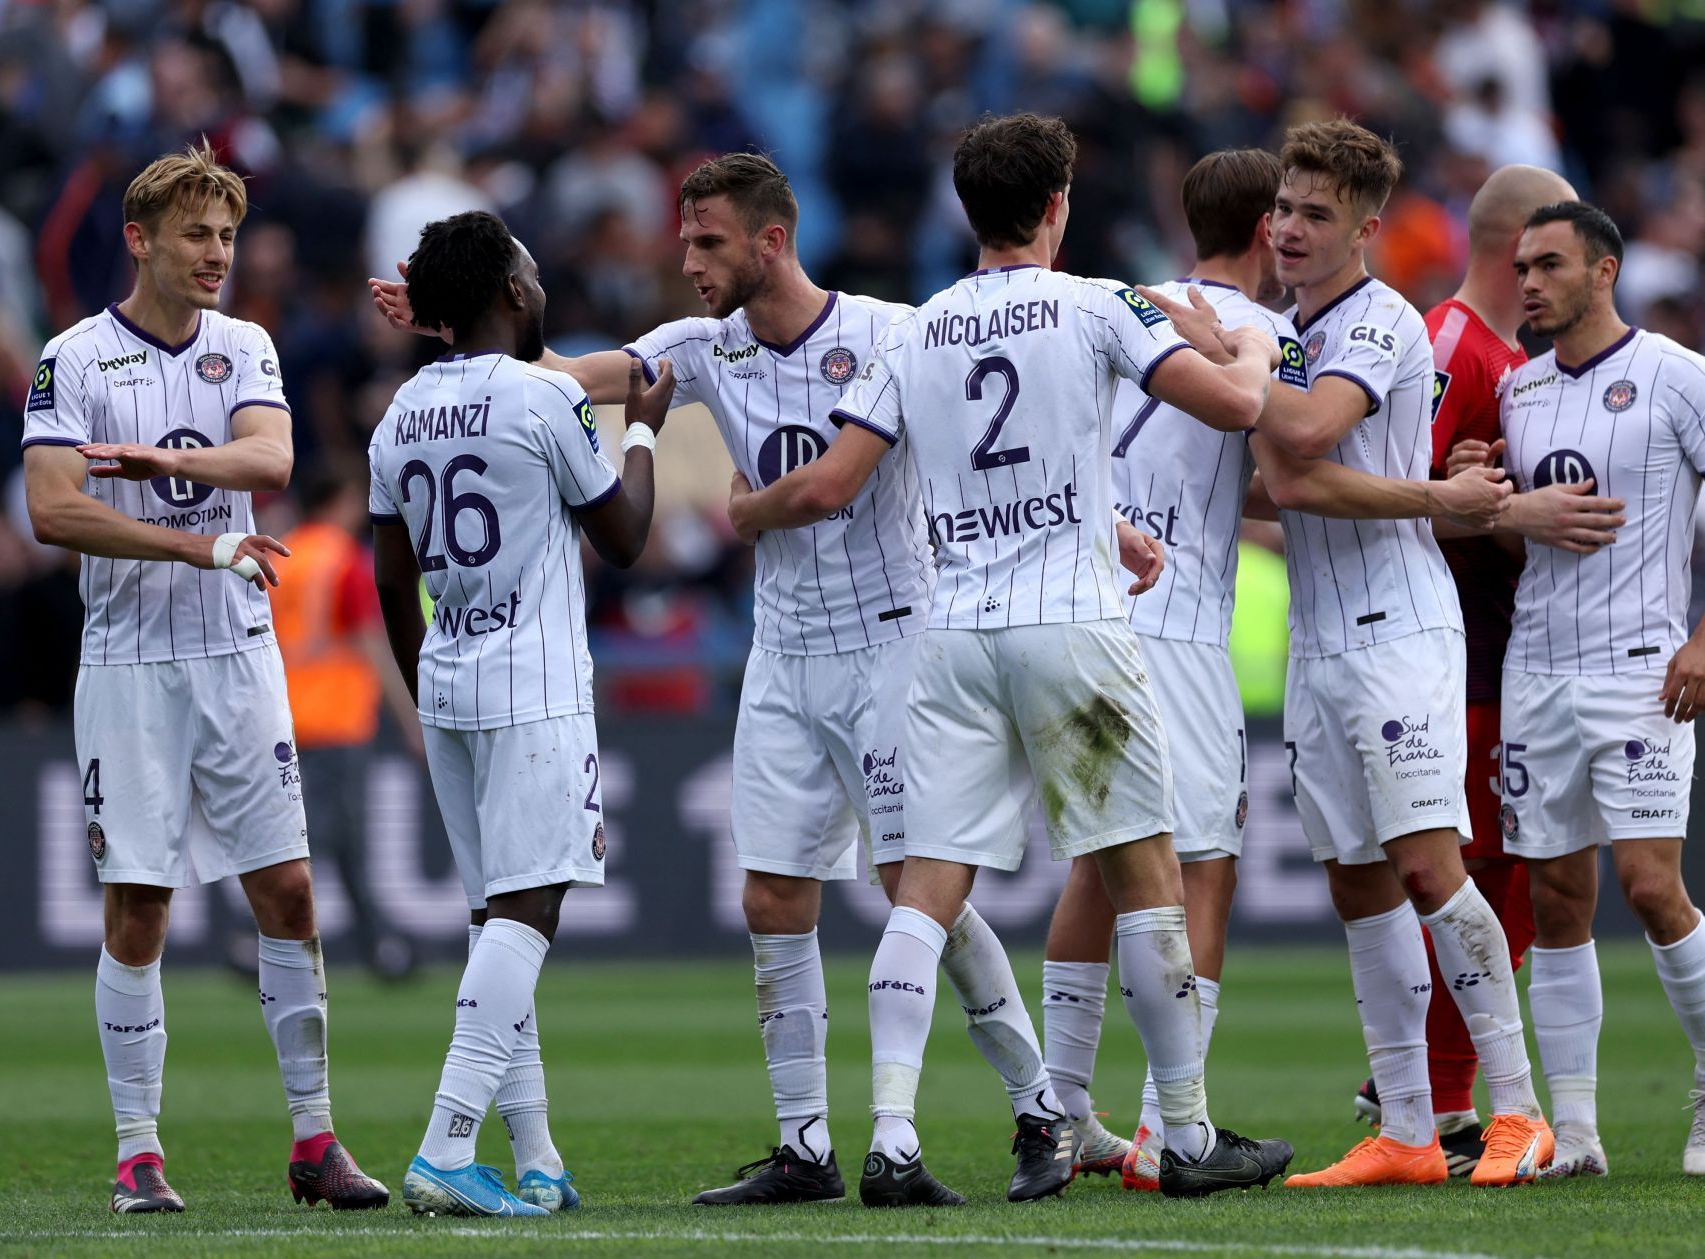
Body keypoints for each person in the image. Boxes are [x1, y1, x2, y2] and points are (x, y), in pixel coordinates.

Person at [371, 152, 1130, 1207]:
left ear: (772, 240)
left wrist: (1115, 521)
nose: (687, 261)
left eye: (708, 242)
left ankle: (1038, 1108)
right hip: (782, 652)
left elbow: (991, 447)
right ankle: (806, 1143)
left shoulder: (886, 332)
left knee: (918, 889)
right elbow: (565, 379)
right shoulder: (701, 344)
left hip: (892, 641)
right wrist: (452, 323)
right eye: (685, 240)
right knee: (774, 892)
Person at [728, 111, 1291, 1205]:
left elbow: (839, 473)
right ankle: (1184, 1133)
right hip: (1070, 622)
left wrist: (750, 508)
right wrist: (1256, 343)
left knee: (926, 888)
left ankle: (891, 1135)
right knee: (1144, 873)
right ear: (1056, 205)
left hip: (952, 632)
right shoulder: (1098, 302)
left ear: (968, 210)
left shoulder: (915, 330)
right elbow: (1236, 404)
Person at [1151, 119, 1551, 1190]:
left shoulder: (1377, 325)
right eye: (1282, 208)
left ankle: (1516, 1108)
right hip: (1322, 639)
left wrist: (1213, 352)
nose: (1285, 228)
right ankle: (1409, 1128)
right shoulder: (1283, 329)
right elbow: (1277, 485)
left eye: (1315, 214)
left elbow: (1312, 438)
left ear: (1368, 228)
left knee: (1428, 866)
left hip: (1398, 632)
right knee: (1361, 884)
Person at [20, 140, 386, 1214]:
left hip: (237, 657)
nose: (218, 252)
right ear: (139, 240)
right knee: (140, 903)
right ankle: (139, 1152)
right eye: (196, 233)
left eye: (225, 233)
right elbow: (52, 507)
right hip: (129, 659)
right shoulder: (74, 359)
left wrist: (162, 468)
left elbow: (269, 464)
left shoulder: (246, 347)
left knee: (291, 889)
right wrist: (192, 541)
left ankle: (316, 1138)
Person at [368, 210, 674, 1217]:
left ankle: (536, 1155)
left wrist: (425, 692)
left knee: (502, 917)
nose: (541, 286)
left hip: (448, 682)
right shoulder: (546, 399)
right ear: (509, 290)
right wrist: (641, 429)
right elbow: (625, 538)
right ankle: (448, 1144)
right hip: (533, 685)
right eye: (531, 273)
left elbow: (390, 575)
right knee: (530, 911)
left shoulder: (398, 413)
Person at [1038, 148, 1301, 1192]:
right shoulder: (1262, 337)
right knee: (1202, 867)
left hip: (1084, 611)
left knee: (1096, 866)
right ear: (1265, 227)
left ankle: (1056, 1113)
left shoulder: (1119, 304)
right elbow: (1291, 469)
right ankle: (1166, 1127)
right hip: (1180, 628)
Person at [1495, 201, 1705, 1178]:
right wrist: (1484, 490)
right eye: (1522, 265)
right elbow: (1500, 511)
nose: (1528, 281)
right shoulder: (1519, 391)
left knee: (1653, 886)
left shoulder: (1679, 375)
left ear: (1603, 270)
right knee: (1559, 898)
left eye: (1550, 264)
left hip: (1642, 672)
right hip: (1537, 672)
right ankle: (1575, 1133)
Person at [1346, 163, 1593, 1176]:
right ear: (1519, 244)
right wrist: (1505, 509)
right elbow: (1412, 490)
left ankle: (1436, 1083)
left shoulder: (1511, 356)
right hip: (1463, 656)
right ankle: (1446, 1093)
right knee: (1486, 870)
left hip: (1511, 649)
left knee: (1517, 871)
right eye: (1550, 247)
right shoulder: (1454, 341)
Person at [266, 461, 424, 980]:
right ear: (338, 502)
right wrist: (411, 717)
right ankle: (261, 929)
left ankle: (381, 948)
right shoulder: (346, 561)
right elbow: (371, 644)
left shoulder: (283, 555)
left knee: (341, 835)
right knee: (328, 831)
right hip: (338, 716)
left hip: (287, 716)